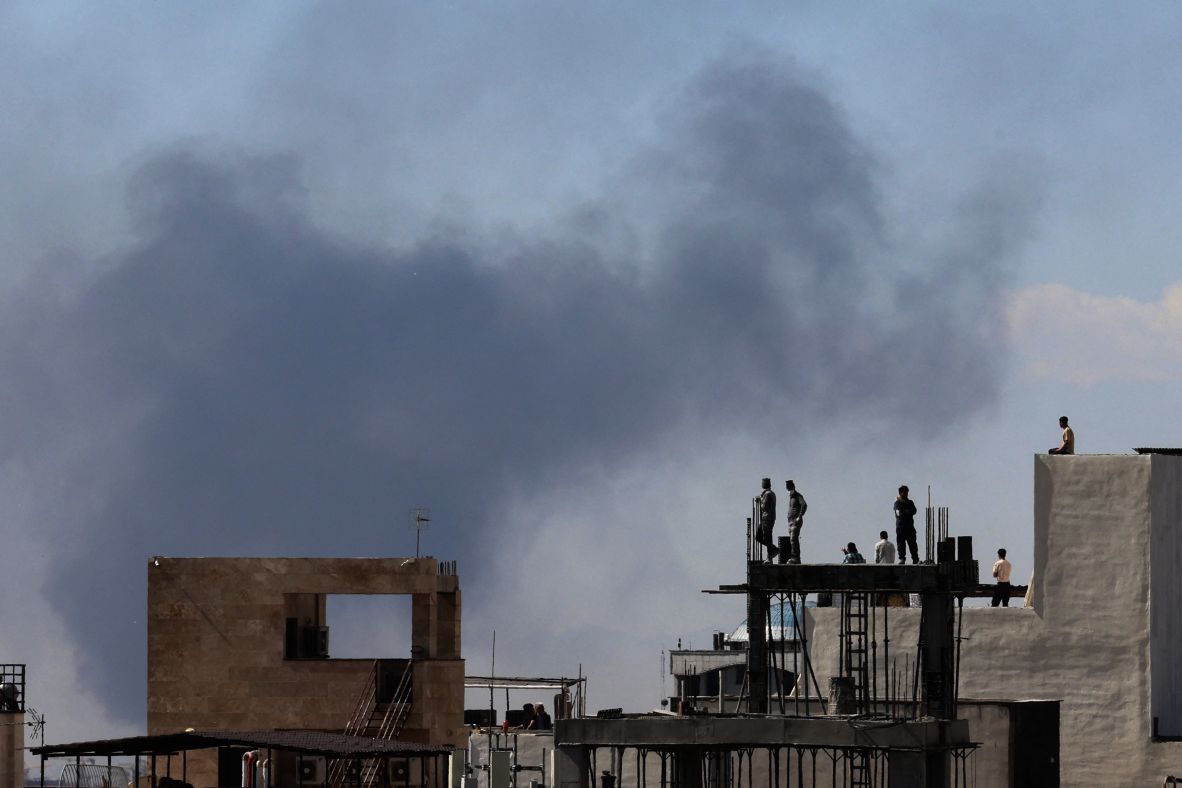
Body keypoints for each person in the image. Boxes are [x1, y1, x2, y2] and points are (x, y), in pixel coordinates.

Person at [894, 486, 920, 564]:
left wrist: (905, 512)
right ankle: (902, 558)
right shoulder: (897, 503)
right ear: (901, 493)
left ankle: (915, 559)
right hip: (901, 527)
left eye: (907, 492)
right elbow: (899, 513)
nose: (906, 494)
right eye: (904, 492)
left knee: (913, 544)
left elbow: (914, 511)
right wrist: (908, 512)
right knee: (901, 544)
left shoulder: (910, 502)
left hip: (910, 527)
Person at [755, 477, 779, 561]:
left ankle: (772, 553)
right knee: (763, 537)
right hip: (769, 517)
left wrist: (760, 500)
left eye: (763, 483)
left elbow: (764, 507)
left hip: (766, 518)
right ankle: (771, 553)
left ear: (765, 484)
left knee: (765, 537)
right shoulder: (771, 493)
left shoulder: (767, 494)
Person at [784, 479, 807, 563]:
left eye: (790, 486)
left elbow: (804, 505)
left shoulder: (798, 496)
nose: (789, 488)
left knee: (793, 538)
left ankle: (795, 557)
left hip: (795, 521)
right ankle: (796, 558)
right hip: (790, 521)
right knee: (792, 539)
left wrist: (800, 516)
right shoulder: (791, 497)